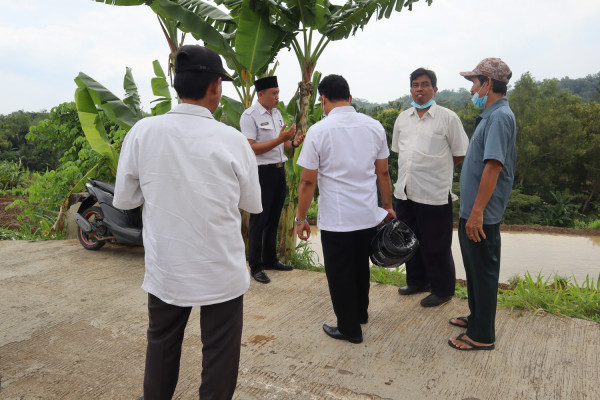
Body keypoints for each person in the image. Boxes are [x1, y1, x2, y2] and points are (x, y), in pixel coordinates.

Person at [113, 45, 262, 399]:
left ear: (177, 85)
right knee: (220, 354)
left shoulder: (143, 132)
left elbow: (125, 200)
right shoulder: (233, 140)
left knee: (162, 344)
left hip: (168, 269)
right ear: (215, 86)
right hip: (221, 270)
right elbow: (252, 204)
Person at [295, 74, 395, 344]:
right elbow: (383, 173)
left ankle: (349, 328)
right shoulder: (374, 127)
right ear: (349, 98)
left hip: (337, 219)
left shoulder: (319, 131)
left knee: (340, 272)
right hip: (366, 214)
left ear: (323, 99)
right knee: (360, 267)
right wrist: (387, 206)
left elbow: (307, 181)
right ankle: (360, 313)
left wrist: (300, 218)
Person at [448, 58, 517, 351]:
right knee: (475, 270)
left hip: (482, 214)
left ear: (488, 83)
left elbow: (493, 167)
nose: (471, 89)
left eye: (474, 82)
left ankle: (482, 335)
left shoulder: (500, 117)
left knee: (484, 273)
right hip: (474, 211)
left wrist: (477, 212)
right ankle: (476, 318)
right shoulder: (491, 115)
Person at [391, 68, 470, 307]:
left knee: (436, 244)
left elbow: (459, 153)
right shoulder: (403, 118)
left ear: (435, 89)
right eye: (415, 85)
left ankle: (443, 289)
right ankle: (417, 281)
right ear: (411, 90)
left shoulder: (448, 118)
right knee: (408, 240)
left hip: (434, 192)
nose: (419, 89)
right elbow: (399, 152)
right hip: (405, 191)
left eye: (425, 84)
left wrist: (437, 168)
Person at [240, 76, 304, 284]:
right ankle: (256, 266)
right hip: (261, 173)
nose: (277, 97)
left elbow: (281, 147)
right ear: (261, 95)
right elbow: (251, 148)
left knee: (273, 217)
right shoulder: (250, 116)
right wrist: (279, 139)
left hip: (278, 171)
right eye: (273, 93)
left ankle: (270, 259)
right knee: (259, 219)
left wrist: (292, 143)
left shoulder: (276, 114)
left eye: (278, 92)